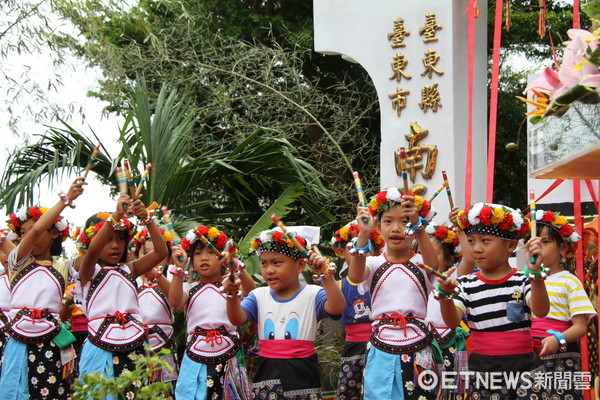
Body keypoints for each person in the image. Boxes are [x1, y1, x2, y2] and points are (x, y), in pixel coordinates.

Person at [438, 203, 550, 400]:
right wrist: (445, 297)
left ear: (511, 245)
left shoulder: (522, 281)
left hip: (524, 368)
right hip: (484, 370)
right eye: (471, 241)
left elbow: (540, 310)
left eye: (486, 240)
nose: (477, 249)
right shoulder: (465, 284)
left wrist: (535, 275)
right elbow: (452, 322)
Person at [224, 227, 345, 400]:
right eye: (264, 263)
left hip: (303, 374)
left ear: (300, 265)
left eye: (277, 262)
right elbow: (237, 318)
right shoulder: (259, 295)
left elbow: (337, 308)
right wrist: (231, 296)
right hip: (266, 374)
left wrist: (326, 276)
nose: (269, 270)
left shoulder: (312, 294)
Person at [348, 188, 439, 400]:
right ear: (378, 226)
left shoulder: (421, 262)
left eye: (405, 222)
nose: (396, 228)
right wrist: (363, 235)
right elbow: (355, 275)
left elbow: (433, 264)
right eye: (388, 222)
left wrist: (419, 228)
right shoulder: (374, 262)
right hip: (381, 345)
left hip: (418, 347)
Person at [0, 177, 86, 400]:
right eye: (23, 233)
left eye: (34, 232)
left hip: (52, 340)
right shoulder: (17, 262)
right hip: (19, 337)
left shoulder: (63, 267)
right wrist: (65, 200)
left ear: (56, 233)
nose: (29, 237)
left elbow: (89, 258)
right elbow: (38, 228)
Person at [77, 193, 168, 400]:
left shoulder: (129, 269)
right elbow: (92, 252)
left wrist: (147, 219)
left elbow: (161, 252)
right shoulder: (88, 272)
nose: (116, 245)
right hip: (99, 342)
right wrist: (115, 217)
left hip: (133, 343)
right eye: (108, 240)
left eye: (120, 239)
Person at [168, 225, 255, 400]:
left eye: (210, 252)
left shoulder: (230, 283)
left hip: (228, 352)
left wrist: (237, 265)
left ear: (221, 256)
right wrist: (179, 269)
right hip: (196, 352)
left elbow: (251, 292)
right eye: (198, 254)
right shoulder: (189, 288)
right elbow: (176, 302)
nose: (204, 258)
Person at [528, 209, 595, 400]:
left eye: (546, 242)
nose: (537, 247)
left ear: (563, 249)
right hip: (529, 355)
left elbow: (581, 327)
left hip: (562, 356)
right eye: (533, 242)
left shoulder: (569, 281)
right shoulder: (525, 280)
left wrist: (558, 338)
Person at [330, 220, 383, 400]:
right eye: (352, 248)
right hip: (354, 349)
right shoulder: (338, 285)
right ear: (341, 253)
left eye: (366, 246)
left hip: (383, 344)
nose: (360, 252)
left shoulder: (384, 279)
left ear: (376, 251)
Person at [423, 222, 469, 400]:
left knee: (453, 392)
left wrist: (460, 228)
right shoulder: (418, 276)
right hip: (425, 344)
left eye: (434, 253)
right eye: (421, 252)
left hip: (451, 346)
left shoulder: (453, 277)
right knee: (425, 391)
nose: (426, 257)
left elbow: (469, 259)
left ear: (450, 259)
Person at [133, 228, 179, 393]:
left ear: (166, 259)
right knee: (137, 388)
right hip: (135, 344)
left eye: (156, 253)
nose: (150, 258)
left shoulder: (172, 280)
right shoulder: (132, 281)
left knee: (167, 389)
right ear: (135, 255)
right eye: (144, 252)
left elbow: (177, 300)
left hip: (164, 343)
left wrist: (157, 277)